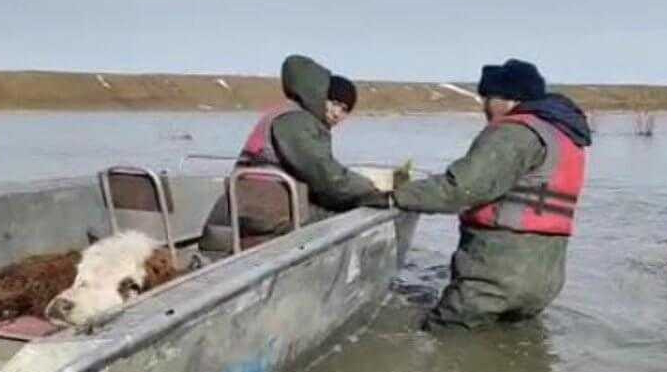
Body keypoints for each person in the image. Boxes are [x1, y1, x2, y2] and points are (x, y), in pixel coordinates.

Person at [394, 59, 591, 329]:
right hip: (546, 277)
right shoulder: (564, 135)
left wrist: (396, 195)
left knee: (443, 339)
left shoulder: (513, 132)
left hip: (496, 272)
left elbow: (460, 189)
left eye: (487, 97)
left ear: (508, 98)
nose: (484, 106)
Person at [200, 54, 390, 251]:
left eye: (344, 110)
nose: (336, 113)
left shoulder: (290, 115)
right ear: (319, 95)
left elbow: (317, 172)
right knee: (345, 216)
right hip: (264, 209)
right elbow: (325, 175)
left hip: (252, 203)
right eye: (333, 103)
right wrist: (370, 191)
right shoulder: (297, 121)